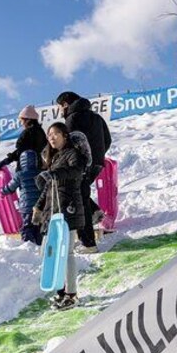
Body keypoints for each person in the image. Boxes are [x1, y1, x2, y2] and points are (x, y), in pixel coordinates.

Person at [33, 122, 91, 310]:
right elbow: (49, 187)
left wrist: (54, 173)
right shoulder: (55, 158)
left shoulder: (73, 154)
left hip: (69, 209)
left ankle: (71, 294)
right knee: (52, 253)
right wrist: (38, 207)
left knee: (67, 253)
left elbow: (76, 171)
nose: (51, 137)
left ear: (65, 135)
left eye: (55, 133)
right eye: (49, 135)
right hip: (54, 211)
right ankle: (61, 291)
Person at [55, 91, 112, 253]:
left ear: (66, 104)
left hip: (80, 166)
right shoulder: (96, 117)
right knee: (81, 195)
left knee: (78, 201)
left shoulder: (72, 118)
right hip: (96, 164)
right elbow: (107, 140)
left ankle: (88, 243)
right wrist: (97, 156)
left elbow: (69, 144)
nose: (60, 110)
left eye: (60, 107)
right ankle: (94, 212)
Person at [0, 105, 49, 245]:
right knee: (38, 213)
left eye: (22, 120)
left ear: (27, 119)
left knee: (28, 213)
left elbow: (20, 151)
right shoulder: (41, 132)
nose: (21, 122)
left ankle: (28, 244)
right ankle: (40, 241)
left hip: (26, 171)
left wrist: (7, 159)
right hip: (38, 170)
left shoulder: (27, 133)